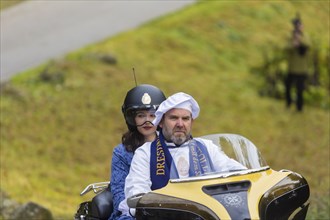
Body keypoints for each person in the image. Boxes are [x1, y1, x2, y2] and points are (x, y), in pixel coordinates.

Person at [118, 92, 245, 219]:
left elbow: (236, 172)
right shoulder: (146, 153)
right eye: (173, 118)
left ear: (191, 122)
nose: (180, 124)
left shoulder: (207, 147)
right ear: (161, 122)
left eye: (185, 118)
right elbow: (137, 194)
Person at [108, 84, 166, 220]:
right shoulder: (121, 152)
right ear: (132, 118)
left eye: (152, 115)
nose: (147, 121)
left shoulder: (171, 145)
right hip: (132, 212)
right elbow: (119, 195)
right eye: (141, 115)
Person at [284, 14, 311, 112]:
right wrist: (293, 44)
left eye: (300, 25)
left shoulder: (305, 36)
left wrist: (300, 40)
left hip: (302, 68)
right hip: (292, 68)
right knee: (287, 86)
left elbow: (308, 45)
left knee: (300, 90)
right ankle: (288, 102)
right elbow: (286, 48)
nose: (299, 27)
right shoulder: (290, 36)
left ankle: (299, 108)